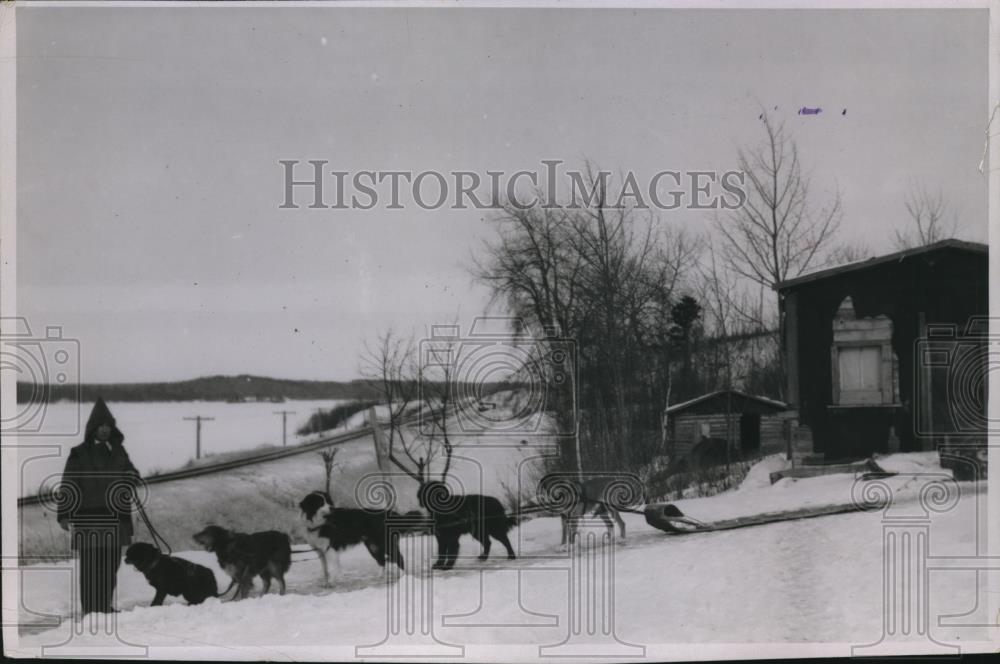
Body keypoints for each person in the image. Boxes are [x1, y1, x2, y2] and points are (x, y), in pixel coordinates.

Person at [57, 398, 141, 615]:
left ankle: (103, 607)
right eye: (100, 426)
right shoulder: (79, 453)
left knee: (110, 565)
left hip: (116, 518)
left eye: (107, 426)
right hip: (88, 519)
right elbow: (68, 484)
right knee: (90, 567)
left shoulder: (119, 451)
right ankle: (90, 609)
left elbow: (132, 472)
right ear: (92, 428)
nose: (104, 430)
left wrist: (130, 478)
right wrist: (64, 514)